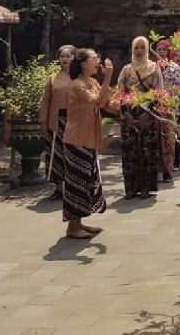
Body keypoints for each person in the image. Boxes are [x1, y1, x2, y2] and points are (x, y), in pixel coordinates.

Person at [63, 49, 112, 239]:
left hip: (89, 138)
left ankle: (79, 223)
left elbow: (107, 103)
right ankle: (72, 228)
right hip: (76, 139)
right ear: (83, 63)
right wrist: (108, 76)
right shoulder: (77, 85)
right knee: (77, 182)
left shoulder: (92, 82)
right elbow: (99, 103)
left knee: (87, 181)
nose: (97, 61)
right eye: (94, 59)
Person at [117, 36, 165, 199]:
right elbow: (121, 92)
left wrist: (147, 113)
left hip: (148, 115)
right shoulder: (126, 70)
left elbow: (158, 93)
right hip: (129, 114)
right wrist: (127, 114)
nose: (139, 51)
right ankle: (131, 188)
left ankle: (146, 187)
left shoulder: (154, 68)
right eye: (136, 48)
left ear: (147, 49)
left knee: (147, 150)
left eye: (142, 48)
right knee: (131, 151)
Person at [39, 45, 76, 201]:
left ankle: (73, 188)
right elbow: (46, 101)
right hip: (56, 121)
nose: (65, 59)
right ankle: (58, 188)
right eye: (62, 56)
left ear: (74, 58)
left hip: (74, 121)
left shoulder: (78, 78)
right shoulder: (53, 78)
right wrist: (42, 121)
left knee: (73, 154)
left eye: (68, 56)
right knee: (56, 155)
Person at [155, 40, 180, 172]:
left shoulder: (174, 67)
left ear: (168, 52)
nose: (161, 52)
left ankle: (172, 163)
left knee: (171, 135)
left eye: (163, 49)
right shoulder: (152, 67)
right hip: (155, 105)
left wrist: (174, 102)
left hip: (170, 105)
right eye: (159, 49)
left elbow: (179, 86)